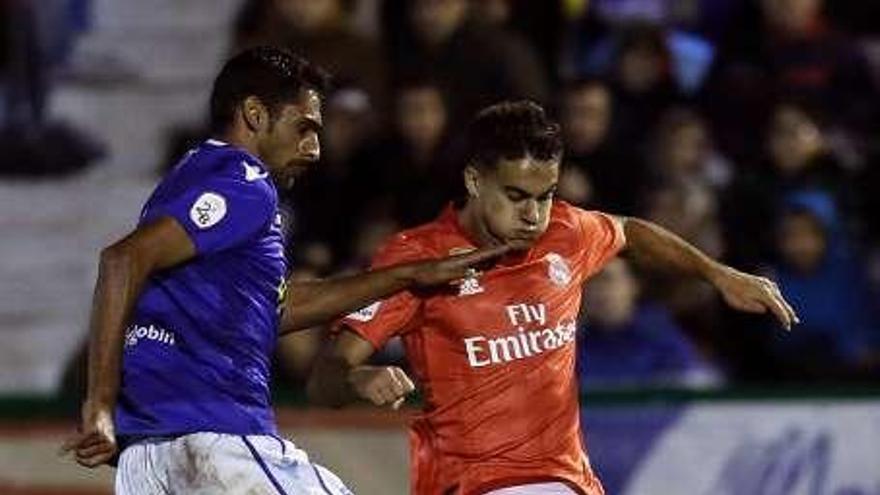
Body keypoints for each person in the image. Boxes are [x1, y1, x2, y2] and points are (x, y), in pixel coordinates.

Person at [60, 46, 507, 494]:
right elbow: (121, 260)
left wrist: (407, 276)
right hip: (215, 439)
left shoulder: (190, 177)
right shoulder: (246, 185)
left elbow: (272, 308)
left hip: (148, 461)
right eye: (305, 127)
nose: (314, 148)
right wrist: (99, 403)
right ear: (254, 114)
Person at [307, 101, 798, 495]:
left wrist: (718, 275)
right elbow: (323, 382)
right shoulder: (418, 259)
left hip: (569, 480)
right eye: (517, 196)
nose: (534, 215)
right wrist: (357, 379)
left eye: (545, 196)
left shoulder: (565, 232)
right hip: (474, 482)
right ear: (475, 180)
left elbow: (630, 233)